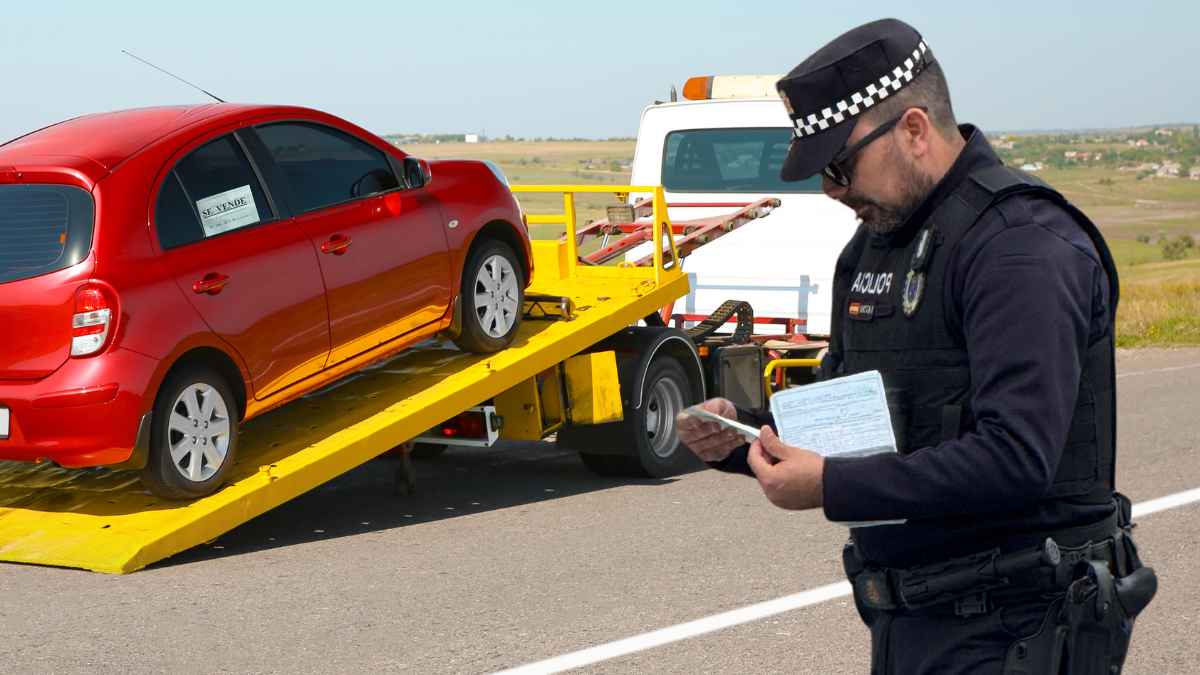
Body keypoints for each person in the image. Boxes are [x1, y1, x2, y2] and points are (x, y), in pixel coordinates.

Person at [676, 18, 1155, 674]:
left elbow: (1015, 458)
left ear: (913, 129)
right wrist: (747, 436)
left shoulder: (1020, 246)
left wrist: (831, 485)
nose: (832, 191)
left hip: (1023, 627)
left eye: (840, 166)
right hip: (917, 625)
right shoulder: (873, 250)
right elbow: (856, 415)